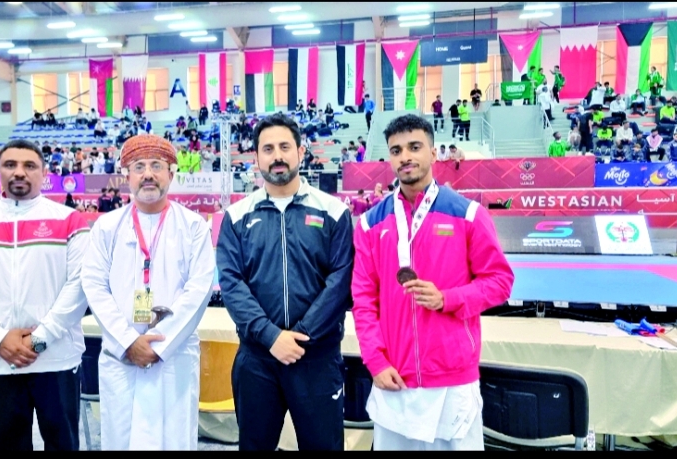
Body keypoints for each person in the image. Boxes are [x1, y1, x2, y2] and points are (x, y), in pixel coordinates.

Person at [352, 114, 514, 451]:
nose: (405, 157)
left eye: (414, 147)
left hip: (452, 378)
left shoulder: (468, 214)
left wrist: (448, 298)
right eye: (396, 150)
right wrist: (375, 361)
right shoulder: (370, 224)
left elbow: (500, 281)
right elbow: (364, 299)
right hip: (393, 377)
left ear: (433, 152)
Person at [217, 113, 354, 451]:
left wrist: (300, 336)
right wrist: (271, 336)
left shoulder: (334, 212)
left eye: (284, 147)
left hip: (317, 359)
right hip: (258, 360)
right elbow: (232, 283)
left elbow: (341, 281)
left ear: (300, 151)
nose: (276, 156)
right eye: (267, 149)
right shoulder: (236, 217)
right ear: (256, 158)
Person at [0, 139, 91, 451]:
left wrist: (41, 337)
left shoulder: (69, 220)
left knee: (63, 442)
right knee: (7, 443)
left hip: (56, 358)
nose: (19, 172)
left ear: (44, 174)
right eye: (10, 165)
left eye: (29, 166)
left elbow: (80, 286)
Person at [80, 134, 215, 450]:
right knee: (121, 438)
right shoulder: (107, 227)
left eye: (157, 165)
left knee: (175, 439)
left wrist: (159, 344)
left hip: (174, 356)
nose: (148, 174)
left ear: (172, 173)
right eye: (139, 166)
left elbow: (199, 289)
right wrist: (129, 341)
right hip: (121, 355)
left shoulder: (193, 226)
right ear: (127, 175)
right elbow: (94, 285)